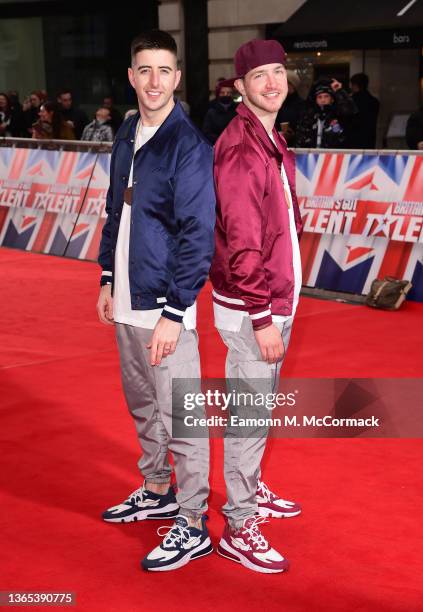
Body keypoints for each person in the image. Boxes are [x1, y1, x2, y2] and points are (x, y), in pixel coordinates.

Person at [97, 29, 215, 571]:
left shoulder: (187, 144)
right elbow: (114, 211)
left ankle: (192, 522)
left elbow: (197, 235)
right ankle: (158, 488)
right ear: (131, 76)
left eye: (164, 71)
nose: (154, 81)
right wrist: (105, 276)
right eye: (144, 70)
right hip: (127, 297)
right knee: (143, 404)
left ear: (177, 77)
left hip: (166, 308)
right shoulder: (126, 132)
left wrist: (175, 311)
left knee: (183, 416)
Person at [210, 39, 303, 574]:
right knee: (248, 417)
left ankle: (252, 490)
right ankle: (239, 526)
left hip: (272, 298)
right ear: (239, 86)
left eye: (278, 72)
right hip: (255, 309)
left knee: (259, 411)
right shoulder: (243, 148)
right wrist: (263, 316)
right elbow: (243, 244)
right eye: (259, 76)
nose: (272, 82)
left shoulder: (269, 136)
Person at [296, 78, 356, 148]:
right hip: (311, 157)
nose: (323, 100)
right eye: (319, 97)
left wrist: (339, 91)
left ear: (332, 99)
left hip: (333, 157)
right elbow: (299, 139)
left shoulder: (338, 114)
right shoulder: (309, 117)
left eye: (326, 96)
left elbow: (351, 110)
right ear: (315, 100)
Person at [347, 73, 379, 149]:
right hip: (369, 139)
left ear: (355, 85)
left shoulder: (351, 101)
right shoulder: (374, 101)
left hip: (353, 140)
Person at [274, 69, 305, 146]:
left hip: (296, 149)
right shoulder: (275, 102)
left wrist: (292, 134)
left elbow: (305, 129)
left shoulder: (302, 104)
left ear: (292, 85)